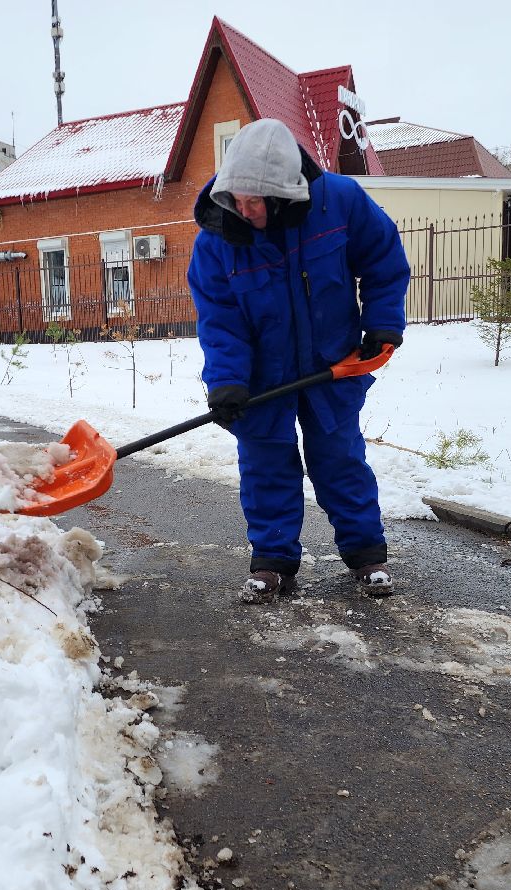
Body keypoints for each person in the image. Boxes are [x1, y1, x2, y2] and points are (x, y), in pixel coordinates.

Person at [187, 118, 410, 603]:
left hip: (333, 361)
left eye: (256, 202)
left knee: (340, 457)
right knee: (266, 460)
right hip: (262, 375)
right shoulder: (216, 241)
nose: (245, 212)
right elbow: (220, 320)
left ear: (287, 192)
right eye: (237, 200)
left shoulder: (340, 202)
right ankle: (273, 561)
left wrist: (384, 322)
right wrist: (226, 382)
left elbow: (384, 261)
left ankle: (367, 554)